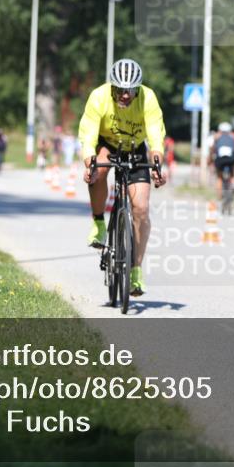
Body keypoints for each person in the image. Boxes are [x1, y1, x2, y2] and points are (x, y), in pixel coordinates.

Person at [80, 59, 167, 297]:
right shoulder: (98, 97)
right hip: (107, 143)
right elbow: (87, 135)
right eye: (120, 89)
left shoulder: (148, 98)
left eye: (131, 90)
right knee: (98, 171)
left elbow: (155, 136)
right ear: (112, 87)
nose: (125, 95)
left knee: (141, 208)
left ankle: (136, 270)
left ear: (138, 88)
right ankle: (99, 224)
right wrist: (89, 162)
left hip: (135, 147)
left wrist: (157, 164)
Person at [211, 122, 234, 202]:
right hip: (231, 158)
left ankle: (219, 195)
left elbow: (213, 149)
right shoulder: (233, 137)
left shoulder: (217, 137)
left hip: (220, 159)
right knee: (232, 173)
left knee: (219, 177)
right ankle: (233, 184)